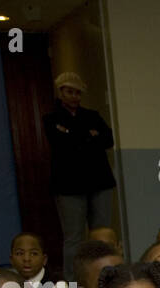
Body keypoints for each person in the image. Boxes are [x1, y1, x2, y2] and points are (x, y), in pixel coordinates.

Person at [43, 72, 116, 274]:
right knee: (73, 237)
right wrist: (89, 137)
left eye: (77, 93)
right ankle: (73, 284)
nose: (74, 96)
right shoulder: (51, 119)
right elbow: (61, 144)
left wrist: (72, 135)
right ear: (60, 92)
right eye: (69, 92)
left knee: (101, 234)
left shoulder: (92, 116)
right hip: (68, 186)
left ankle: (105, 275)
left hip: (100, 182)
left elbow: (108, 140)